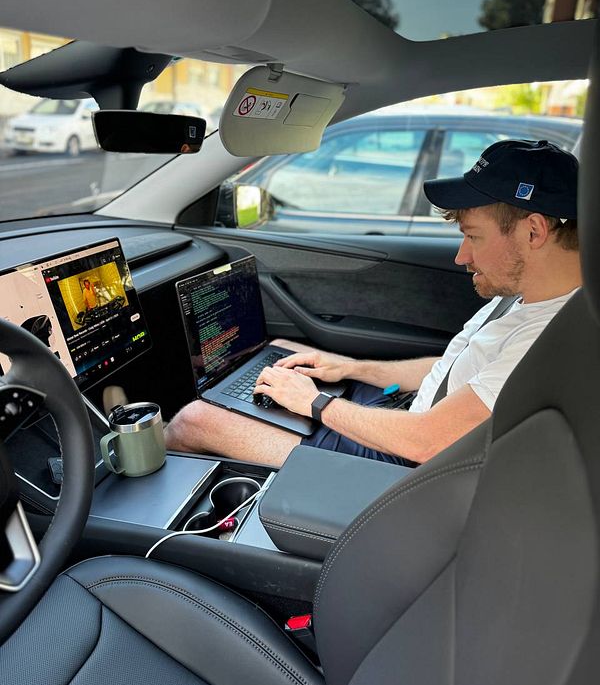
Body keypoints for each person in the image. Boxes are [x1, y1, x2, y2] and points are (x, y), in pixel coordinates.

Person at [166, 139, 580, 468]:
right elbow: (455, 372)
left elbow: (428, 442)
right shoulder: (527, 297)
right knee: (288, 355)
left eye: (473, 236)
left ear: (533, 231)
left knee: (194, 420)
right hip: (407, 418)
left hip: (398, 465)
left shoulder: (552, 339)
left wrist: (316, 403)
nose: (461, 256)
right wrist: (351, 367)